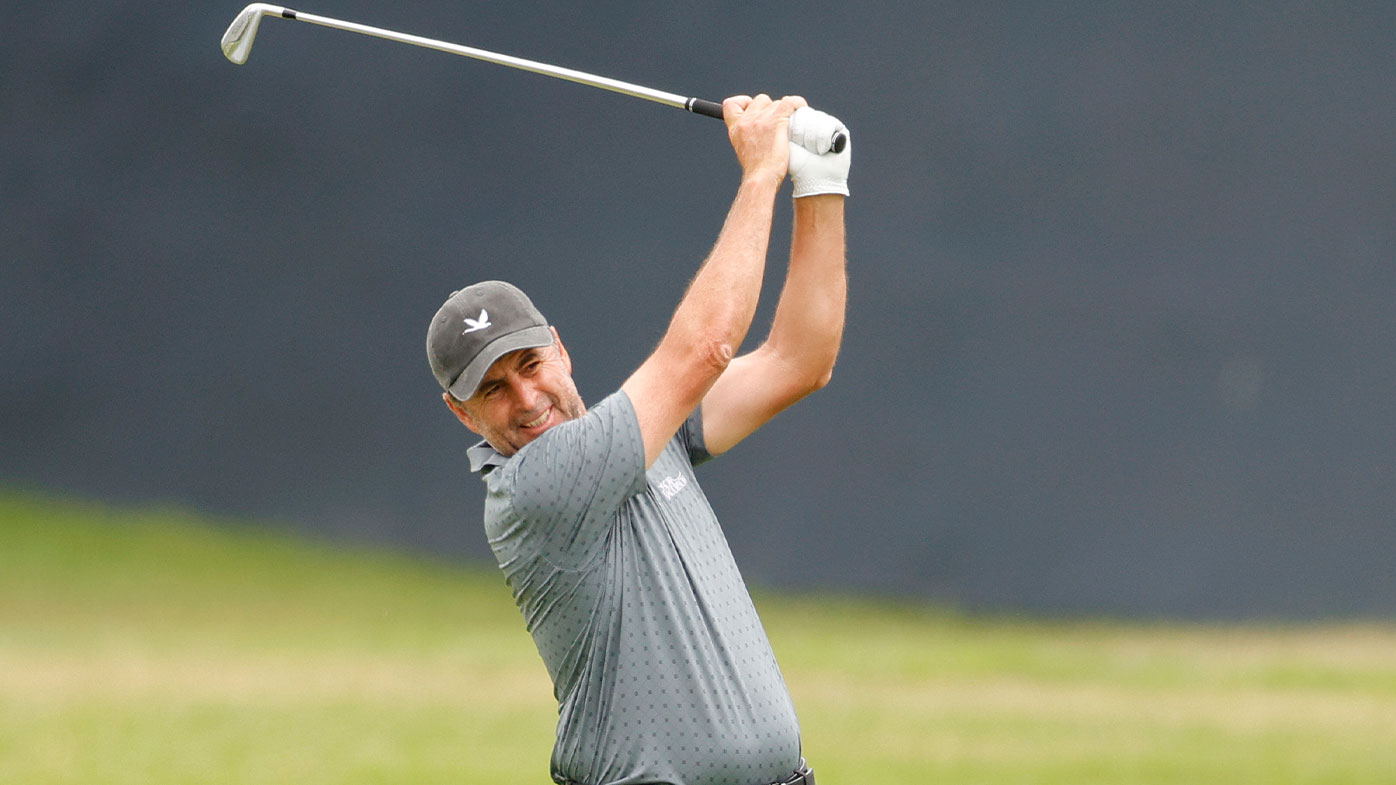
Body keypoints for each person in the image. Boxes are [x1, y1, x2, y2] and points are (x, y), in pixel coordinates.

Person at [426, 94, 850, 785]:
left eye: (530, 364)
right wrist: (760, 174)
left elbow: (799, 360)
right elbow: (705, 348)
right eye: (492, 388)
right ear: (461, 413)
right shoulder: (535, 487)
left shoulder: (641, 436)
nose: (526, 399)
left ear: (559, 349)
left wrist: (823, 182)